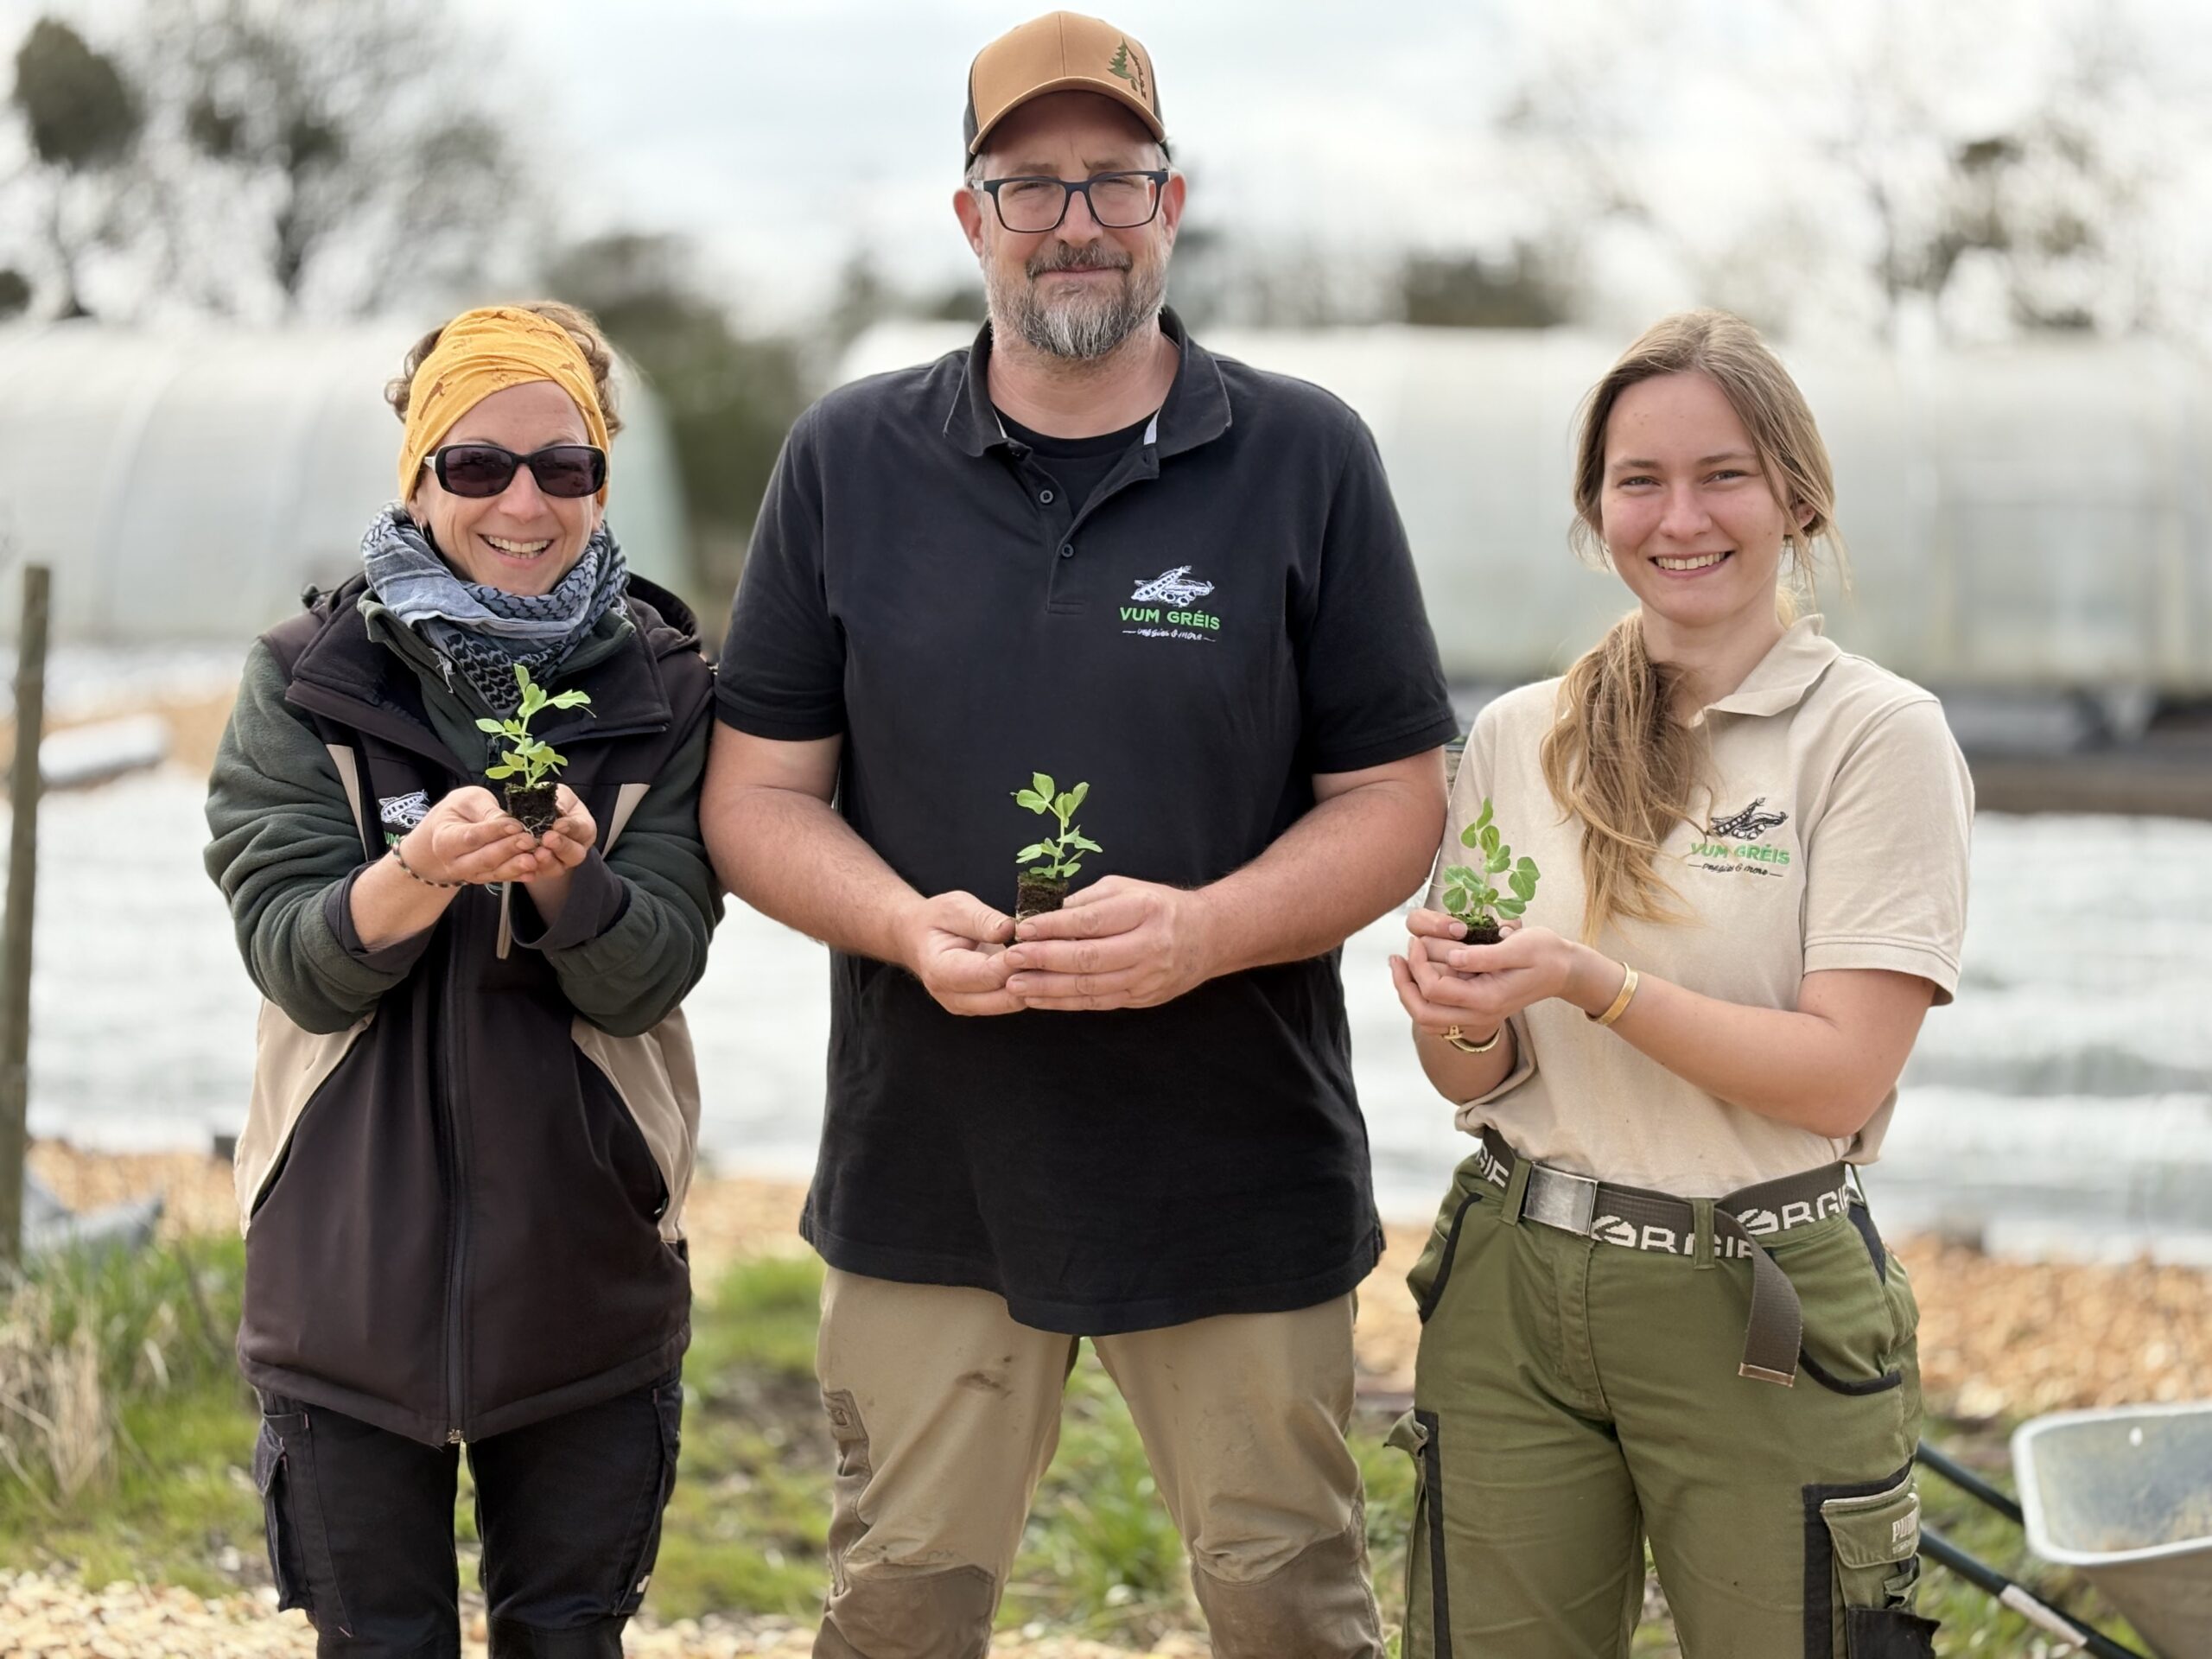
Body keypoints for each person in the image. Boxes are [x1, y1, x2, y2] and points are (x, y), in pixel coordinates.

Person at [703, 13, 1459, 1656]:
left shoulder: (1305, 456)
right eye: (1029, 185)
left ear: (1171, 205)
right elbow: (755, 797)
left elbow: (1399, 798)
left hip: (1238, 1164)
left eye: (1114, 181)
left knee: (1289, 1606)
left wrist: (1204, 930)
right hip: (931, 1163)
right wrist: (901, 924)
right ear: (969, 218)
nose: (1076, 222)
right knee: (899, 1603)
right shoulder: (847, 460)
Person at [1386, 309, 1973, 1657]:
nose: (1680, 517)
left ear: (1797, 497)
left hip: (1759, 1295)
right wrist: (1458, 1014)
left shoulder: (1875, 737)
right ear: (1597, 510)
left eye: (1724, 476)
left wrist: (1595, 983)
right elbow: (1480, 1073)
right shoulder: (1519, 735)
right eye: (1639, 480)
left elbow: (1840, 1075)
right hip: (1512, 1280)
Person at [204, 302, 720, 1658]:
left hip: (587, 1270)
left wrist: (568, 879)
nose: (524, 503)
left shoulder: (667, 687)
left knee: (568, 1637)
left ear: (602, 478)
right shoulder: (307, 681)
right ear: (419, 477)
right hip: (342, 1279)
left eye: (565, 466)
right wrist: (418, 871)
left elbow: (649, 973)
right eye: (478, 465)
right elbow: (298, 964)